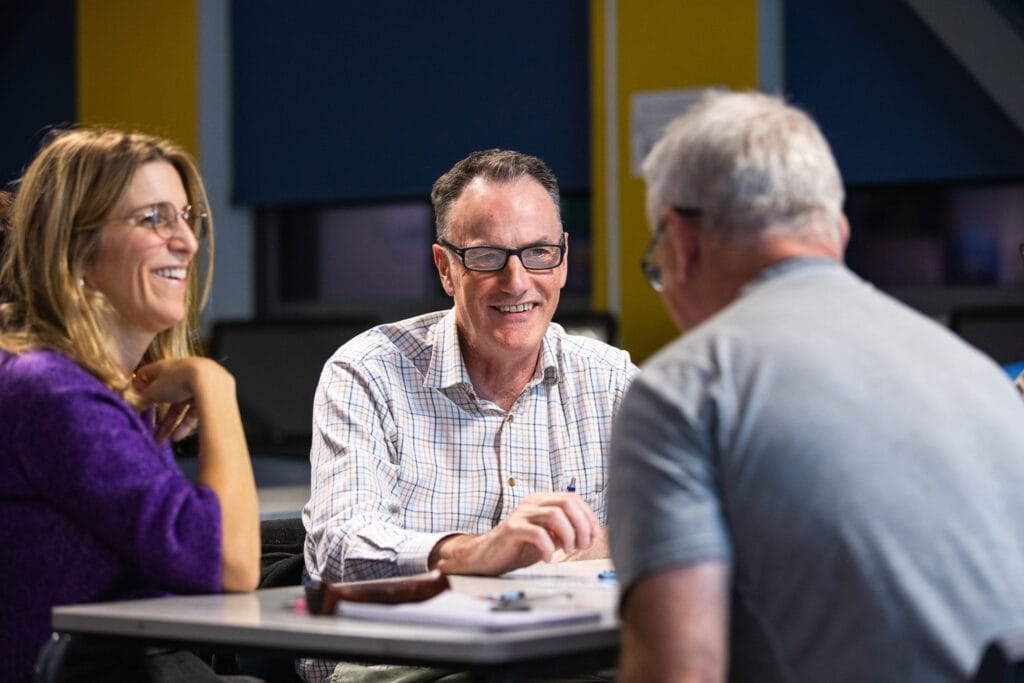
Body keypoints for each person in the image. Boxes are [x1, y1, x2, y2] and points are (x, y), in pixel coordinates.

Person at [607, 91, 1024, 683]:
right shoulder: (979, 374)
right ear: (838, 231)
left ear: (682, 241)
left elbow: (679, 674)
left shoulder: (684, 391)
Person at [301, 149, 637, 682]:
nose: (517, 280)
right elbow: (342, 548)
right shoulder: (368, 372)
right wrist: (483, 553)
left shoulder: (611, 379)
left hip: (556, 657)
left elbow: (680, 526)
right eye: (486, 257)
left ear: (565, 259)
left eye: (539, 253)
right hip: (404, 660)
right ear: (445, 268)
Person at [0, 129, 261, 683]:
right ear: (75, 246)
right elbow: (230, 563)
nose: (188, 242)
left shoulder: (108, 390)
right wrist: (215, 385)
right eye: (154, 219)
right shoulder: (51, 389)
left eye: (187, 217)